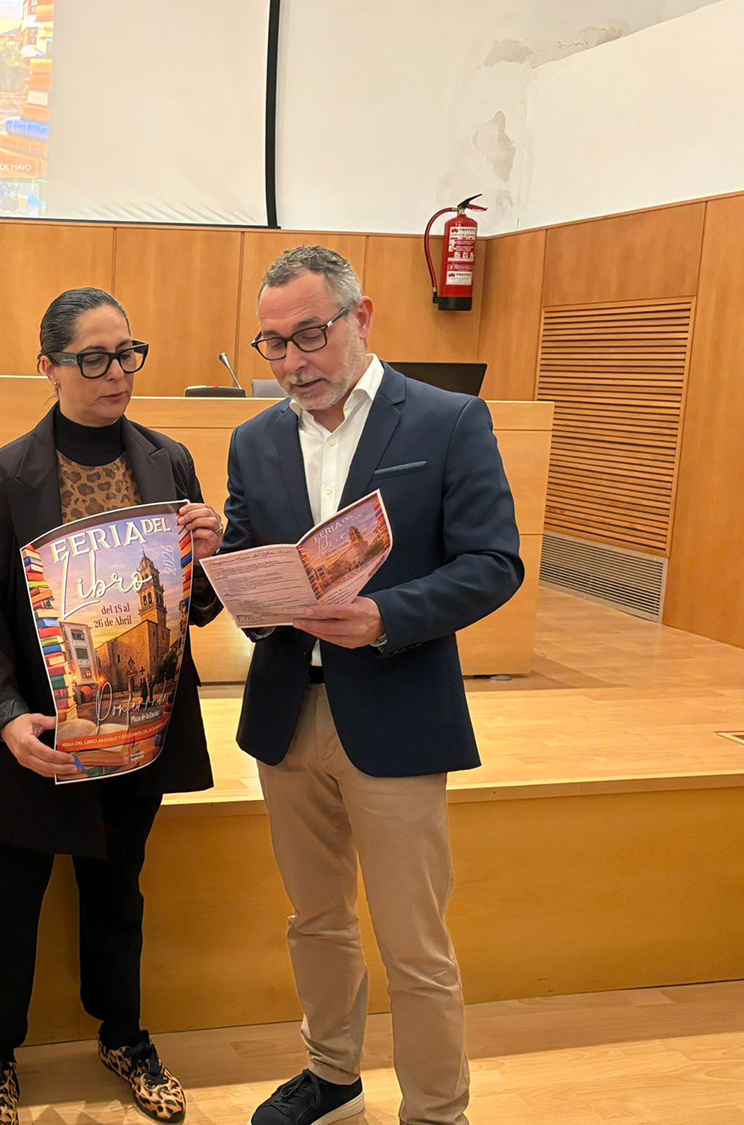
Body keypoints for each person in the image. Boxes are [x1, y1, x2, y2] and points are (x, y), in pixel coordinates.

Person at [209, 246, 522, 1125]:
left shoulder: (448, 420)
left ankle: (434, 1110)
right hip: (287, 714)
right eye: (273, 343)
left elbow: (495, 564)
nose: (294, 361)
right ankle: (332, 1072)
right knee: (315, 919)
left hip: (396, 708)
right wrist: (222, 564)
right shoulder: (255, 437)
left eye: (311, 333)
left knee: (414, 943)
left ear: (363, 317)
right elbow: (249, 562)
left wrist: (387, 617)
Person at [0, 287, 226, 1125]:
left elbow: (194, 604)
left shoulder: (169, 459)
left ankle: (125, 1034)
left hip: (138, 721)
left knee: (118, 888)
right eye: (93, 358)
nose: (116, 373)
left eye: (127, 353)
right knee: (6, 901)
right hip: (35, 732)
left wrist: (212, 554)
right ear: (50, 367)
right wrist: (2, 716)